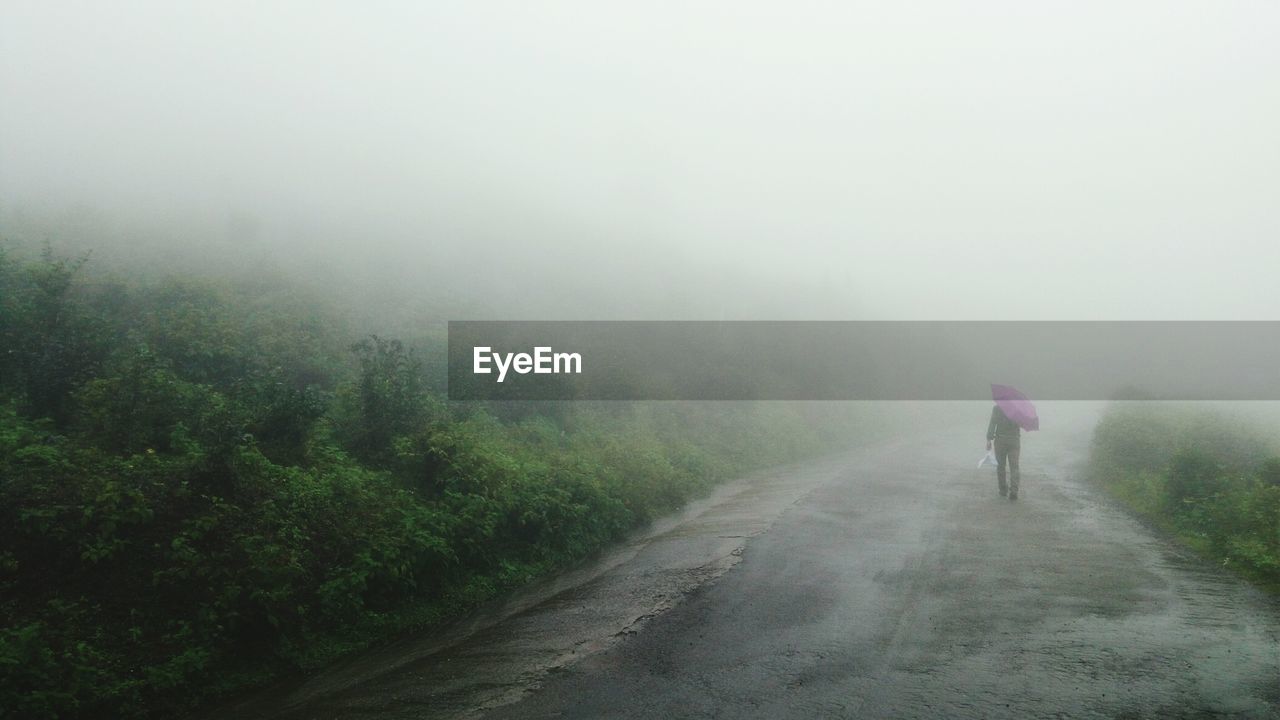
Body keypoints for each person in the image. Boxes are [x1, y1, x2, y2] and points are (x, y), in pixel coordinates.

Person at [986, 404, 1021, 500]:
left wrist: (989, 439)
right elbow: (1022, 423)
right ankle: (1014, 490)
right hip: (1014, 440)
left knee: (1000, 466)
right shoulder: (1018, 408)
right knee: (1014, 467)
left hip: (1000, 440)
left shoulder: (997, 408)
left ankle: (1003, 489)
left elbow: (993, 423)